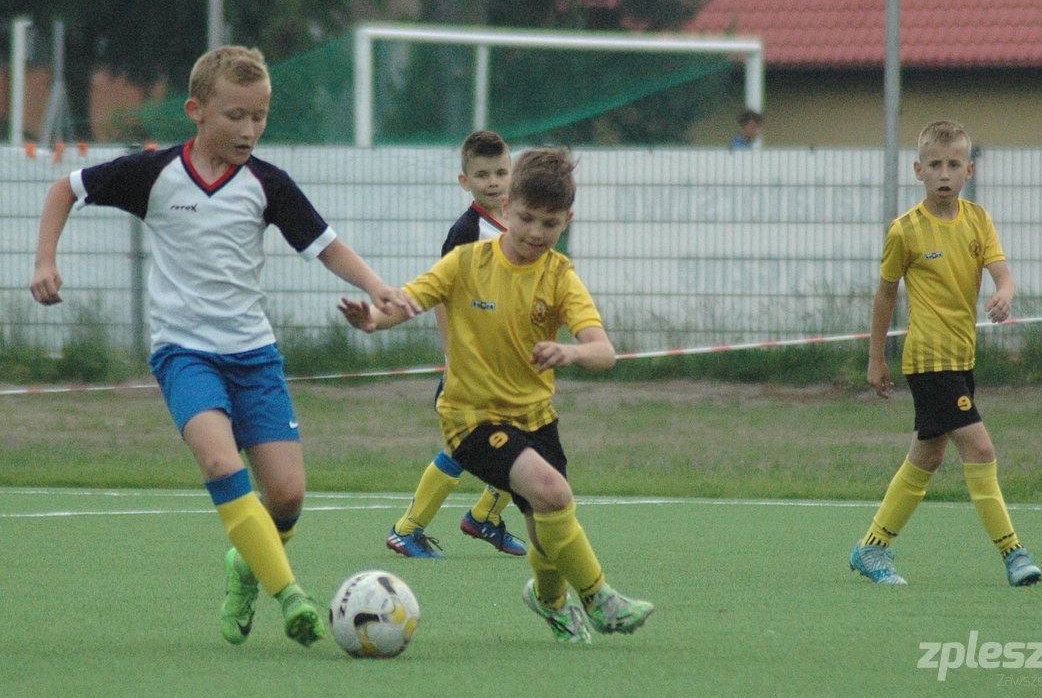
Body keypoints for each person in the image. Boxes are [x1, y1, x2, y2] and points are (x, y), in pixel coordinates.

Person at [29, 45, 416, 648]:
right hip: (184, 353)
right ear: (196, 111)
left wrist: (376, 286)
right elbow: (64, 189)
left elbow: (325, 243)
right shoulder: (153, 173)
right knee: (219, 462)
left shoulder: (267, 184)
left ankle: (245, 566)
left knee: (286, 494)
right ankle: (290, 595)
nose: (249, 129)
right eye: (235, 115)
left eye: (259, 116)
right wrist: (45, 260)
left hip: (254, 356)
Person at [339, 148, 654, 643]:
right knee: (553, 493)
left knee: (543, 525)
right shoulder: (465, 262)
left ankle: (548, 600)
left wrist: (571, 354)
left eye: (549, 223)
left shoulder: (559, 276)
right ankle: (599, 599)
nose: (535, 232)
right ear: (506, 207)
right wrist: (373, 321)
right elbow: (411, 301)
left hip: (535, 418)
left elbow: (604, 353)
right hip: (471, 420)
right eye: (526, 218)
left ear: (566, 221)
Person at [849, 120, 1042, 588]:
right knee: (980, 448)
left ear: (968, 170)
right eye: (934, 164)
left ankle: (872, 547)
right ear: (918, 170)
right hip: (928, 360)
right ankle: (1013, 552)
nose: (944, 173)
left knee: (928, 457)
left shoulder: (978, 220)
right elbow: (884, 295)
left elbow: (1004, 274)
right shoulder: (906, 230)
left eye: (954, 164)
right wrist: (877, 358)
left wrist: (1005, 293)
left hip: (961, 358)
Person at [386, 130, 528, 559]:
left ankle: (483, 517)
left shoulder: (518, 225)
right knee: (469, 446)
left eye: (501, 172)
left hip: (509, 363)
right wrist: (454, 357)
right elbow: (443, 296)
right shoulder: (467, 231)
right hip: (472, 364)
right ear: (464, 181)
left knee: (524, 439)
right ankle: (407, 530)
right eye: (482, 174)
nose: (493, 182)